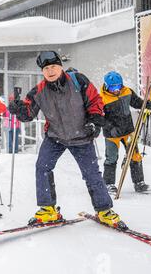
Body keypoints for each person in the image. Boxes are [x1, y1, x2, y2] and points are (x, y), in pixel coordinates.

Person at [9, 50, 126, 229]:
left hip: (81, 136)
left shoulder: (78, 80)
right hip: (55, 137)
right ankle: (48, 210)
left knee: (91, 173)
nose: (50, 71)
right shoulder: (39, 91)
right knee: (42, 167)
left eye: (54, 66)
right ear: (42, 71)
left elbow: (95, 102)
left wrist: (94, 122)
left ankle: (104, 210)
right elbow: (28, 114)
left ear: (61, 67)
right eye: (46, 68)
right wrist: (18, 109)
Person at [99, 71, 151, 194]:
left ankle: (139, 183)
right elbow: (99, 118)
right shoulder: (102, 98)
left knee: (135, 156)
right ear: (107, 86)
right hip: (112, 135)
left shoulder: (127, 92)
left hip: (128, 132)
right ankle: (109, 184)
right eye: (113, 87)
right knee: (111, 158)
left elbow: (137, 103)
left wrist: (147, 104)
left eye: (118, 86)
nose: (116, 90)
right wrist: (110, 127)